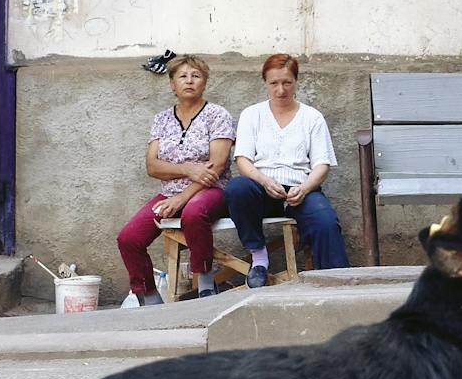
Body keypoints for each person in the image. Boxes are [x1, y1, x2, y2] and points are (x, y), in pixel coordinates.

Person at [116, 55, 237, 303]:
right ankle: (148, 296)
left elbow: (217, 165)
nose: (189, 81)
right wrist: (188, 169)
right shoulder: (161, 119)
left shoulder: (217, 115)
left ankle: (205, 283)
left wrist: (182, 197)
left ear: (204, 82)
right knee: (128, 238)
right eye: (182, 76)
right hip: (169, 194)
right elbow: (152, 166)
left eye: (196, 76)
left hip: (211, 190)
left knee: (193, 212)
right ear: (172, 83)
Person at [224, 53, 349, 285]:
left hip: (301, 190)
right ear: (265, 84)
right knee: (237, 189)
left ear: (296, 82)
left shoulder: (312, 117)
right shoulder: (252, 114)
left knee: (326, 222)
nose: (280, 90)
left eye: (287, 82)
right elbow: (242, 160)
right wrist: (263, 180)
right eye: (274, 83)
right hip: (262, 188)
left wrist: (305, 187)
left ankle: (335, 282)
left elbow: (322, 164)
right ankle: (259, 259)